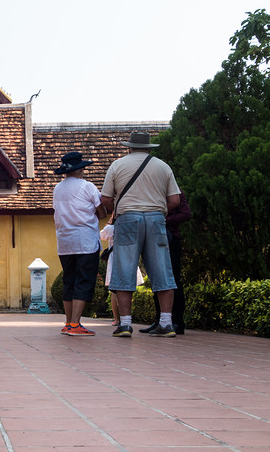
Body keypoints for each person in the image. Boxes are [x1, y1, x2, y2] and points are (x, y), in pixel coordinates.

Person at [100, 131, 181, 338]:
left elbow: (106, 198)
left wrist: (119, 209)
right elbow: (175, 201)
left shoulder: (117, 165)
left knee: (124, 270)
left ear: (129, 147)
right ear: (148, 148)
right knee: (162, 271)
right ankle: (166, 323)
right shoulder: (163, 167)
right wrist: (157, 210)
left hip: (127, 219)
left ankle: (125, 324)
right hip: (156, 219)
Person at [53, 151, 104, 336]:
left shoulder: (57, 189)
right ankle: (76, 324)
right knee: (83, 280)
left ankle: (68, 323)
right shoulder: (87, 187)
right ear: (80, 169)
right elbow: (102, 212)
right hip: (85, 240)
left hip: (64, 241)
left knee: (69, 281)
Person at [140, 191, 190, 334]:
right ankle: (159, 320)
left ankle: (177, 321)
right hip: (152, 237)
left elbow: (186, 213)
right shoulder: (151, 189)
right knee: (156, 280)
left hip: (170, 238)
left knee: (173, 278)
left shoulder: (175, 191)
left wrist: (163, 220)